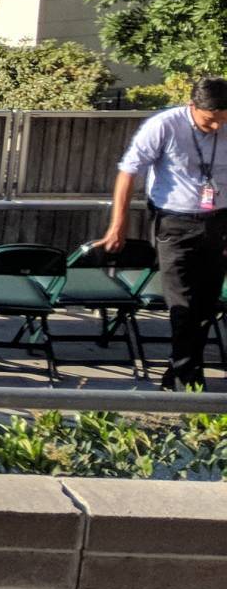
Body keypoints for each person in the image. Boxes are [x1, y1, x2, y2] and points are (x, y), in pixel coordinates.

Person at [100, 76, 227, 390]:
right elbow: (129, 171)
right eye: (210, 120)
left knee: (207, 304)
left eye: (223, 120)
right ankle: (188, 380)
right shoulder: (164, 126)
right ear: (192, 107)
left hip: (220, 220)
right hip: (174, 221)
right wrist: (118, 224)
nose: (217, 128)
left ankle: (178, 372)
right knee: (182, 302)